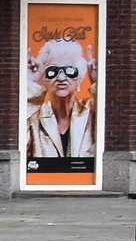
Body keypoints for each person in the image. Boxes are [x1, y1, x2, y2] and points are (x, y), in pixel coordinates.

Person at [25, 36, 97, 168]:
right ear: (44, 81)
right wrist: (31, 85)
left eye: (70, 71)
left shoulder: (91, 113)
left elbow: (112, 128)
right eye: (52, 71)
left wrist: (96, 85)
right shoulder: (33, 117)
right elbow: (19, 147)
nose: (61, 78)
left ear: (79, 80)